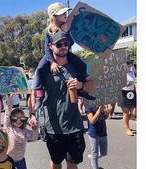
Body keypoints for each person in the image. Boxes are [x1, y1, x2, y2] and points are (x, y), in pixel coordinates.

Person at [31, 31, 96, 169]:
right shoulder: (44, 69)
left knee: (73, 163)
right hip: (53, 127)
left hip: (75, 126)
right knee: (56, 162)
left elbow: (93, 85)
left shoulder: (76, 66)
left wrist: (81, 85)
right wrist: (32, 113)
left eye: (66, 44)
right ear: (50, 46)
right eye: (59, 44)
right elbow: (35, 91)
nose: (63, 46)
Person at [33, 2, 95, 111]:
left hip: (66, 53)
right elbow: (47, 48)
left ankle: (81, 90)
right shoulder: (49, 30)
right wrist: (52, 62)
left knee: (81, 65)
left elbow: (70, 43)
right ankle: (39, 95)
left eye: (65, 12)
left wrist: (67, 31)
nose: (66, 15)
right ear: (54, 16)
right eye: (62, 14)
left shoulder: (67, 26)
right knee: (40, 68)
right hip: (50, 55)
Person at [4, 95, 38, 169]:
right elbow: (7, 113)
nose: (18, 121)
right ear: (11, 119)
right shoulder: (9, 127)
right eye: (15, 118)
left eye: (21, 118)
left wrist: (35, 128)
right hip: (8, 161)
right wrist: (10, 98)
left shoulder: (25, 131)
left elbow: (34, 138)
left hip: (20, 162)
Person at [118, 58, 137, 136]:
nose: (131, 64)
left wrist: (135, 91)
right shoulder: (120, 72)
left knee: (133, 113)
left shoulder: (132, 70)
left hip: (132, 93)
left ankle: (125, 122)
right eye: (129, 63)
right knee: (126, 113)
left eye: (131, 63)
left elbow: (133, 83)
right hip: (123, 94)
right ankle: (127, 129)